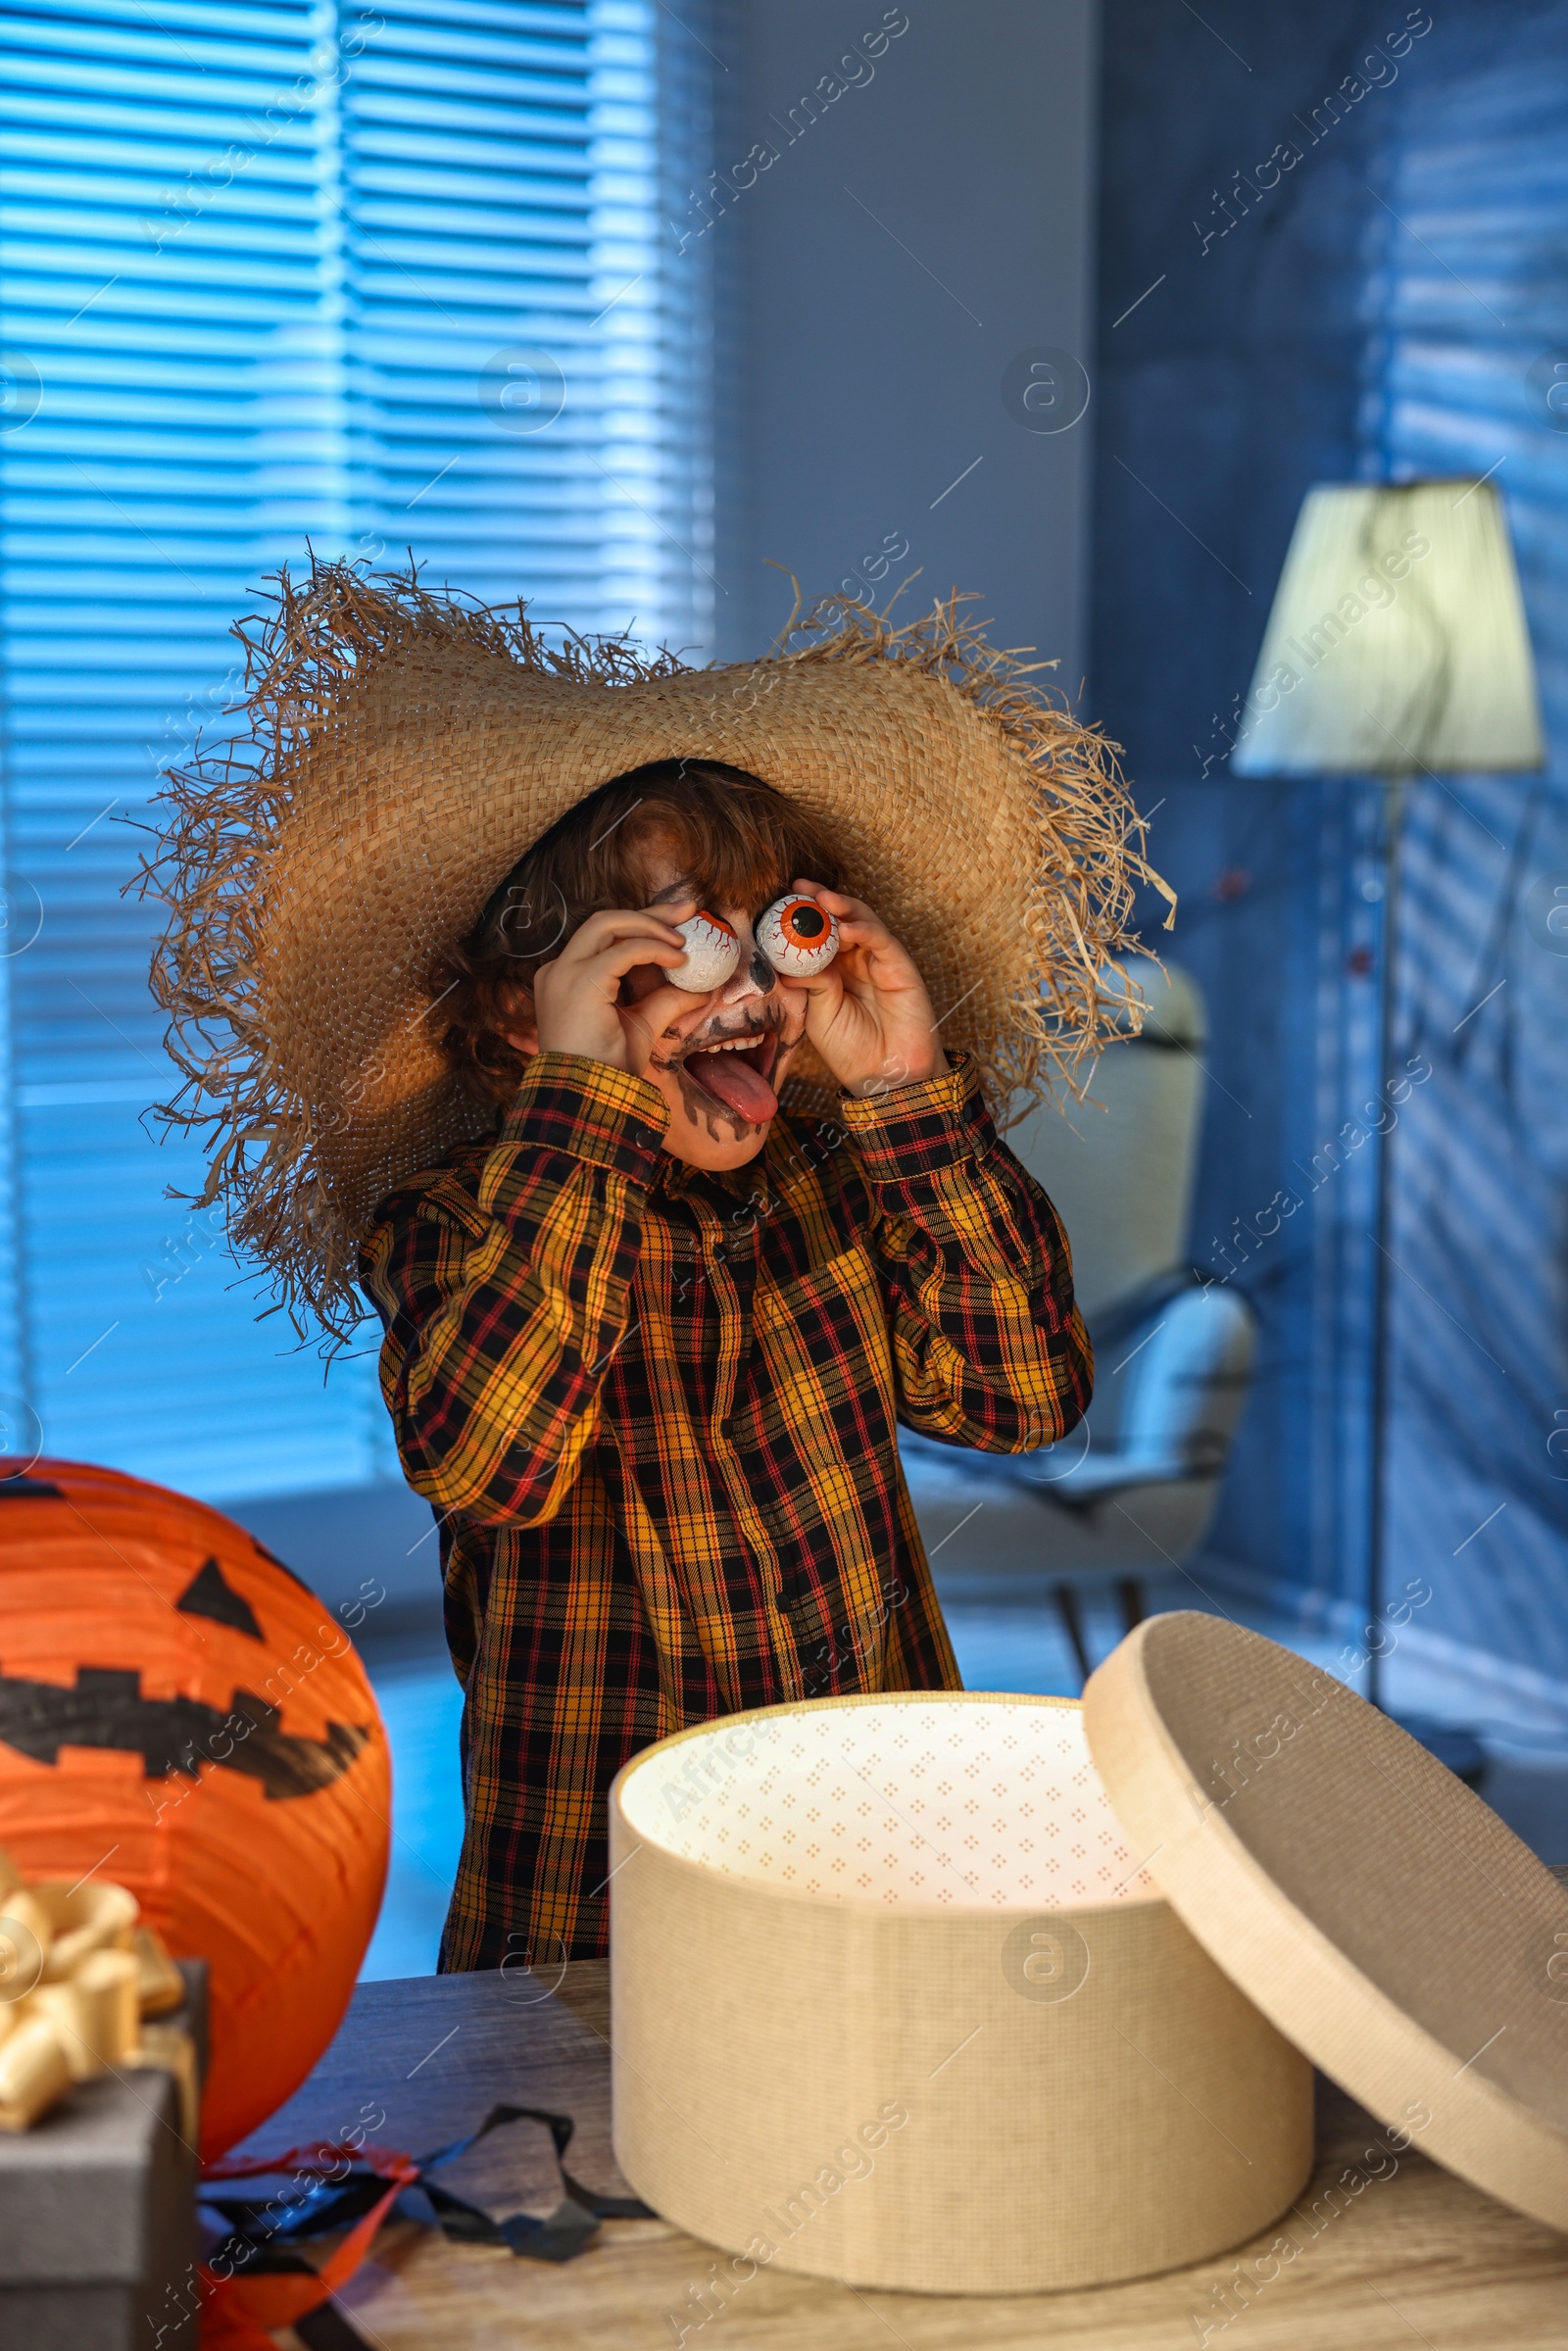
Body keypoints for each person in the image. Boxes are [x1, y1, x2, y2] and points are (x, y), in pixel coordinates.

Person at [146, 563, 1164, 1976]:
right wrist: (584, 1108)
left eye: (771, 935)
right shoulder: (456, 1223)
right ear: (523, 1010)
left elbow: (1024, 1397)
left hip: (866, 1835)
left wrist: (908, 1102)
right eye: (674, 945)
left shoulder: (837, 1190)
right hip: (592, 1893)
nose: (745, 994)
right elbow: (491, 1459)